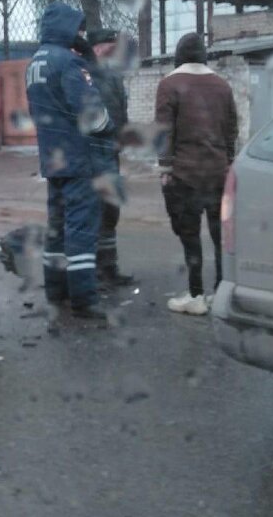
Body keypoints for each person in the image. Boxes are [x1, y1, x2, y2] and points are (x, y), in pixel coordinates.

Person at [25, 2, 114, 320]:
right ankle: (84, 298)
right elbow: (93, 115)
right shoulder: (69, 64)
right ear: (67, 29)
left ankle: (55, 289)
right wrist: (108, 126)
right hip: (78, 159)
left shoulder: (35, 63)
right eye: (78, 29)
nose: (81, 34)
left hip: (52, 159)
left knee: (57, 228)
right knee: (80, 229)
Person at [154, 32, 237, 316]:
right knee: (219, 236)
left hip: (185, 174)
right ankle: (220, 292)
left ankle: (196, 294)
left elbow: (164, 131)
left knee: (190, 235)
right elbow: (231, 130)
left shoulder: (169, 84)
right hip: (218, 173)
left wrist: (165, 167)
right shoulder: (222, 86)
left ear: (178, 56)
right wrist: (228, 162)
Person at [85, 28, 135, 289]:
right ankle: (91, 271)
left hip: (110, 153)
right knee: (95, 212)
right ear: (96, 47)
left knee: (111, 211)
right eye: (109, 44)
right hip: (93, 156)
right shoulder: (86, 74)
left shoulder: (113, 73)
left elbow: (120, 110)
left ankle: (109, 267)